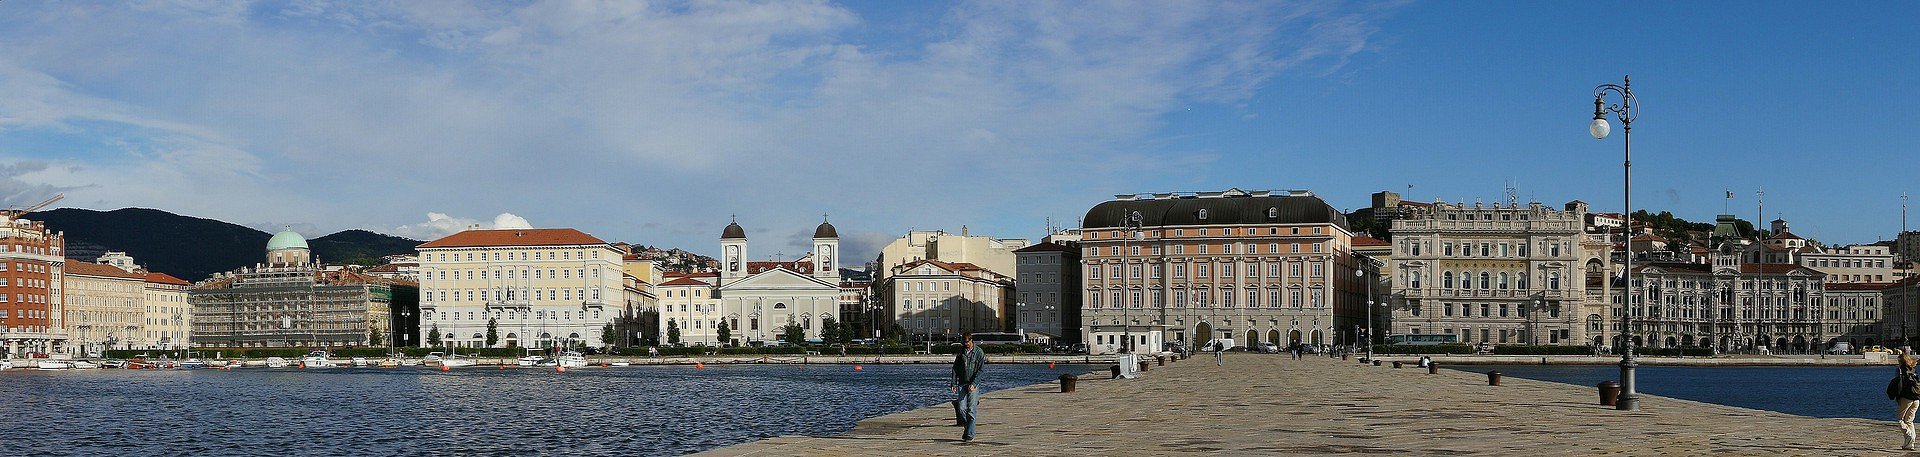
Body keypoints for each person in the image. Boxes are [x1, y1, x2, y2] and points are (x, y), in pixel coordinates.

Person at [951, 333, 987, 442]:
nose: (966, 344)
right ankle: (967, 428)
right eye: (964, 342)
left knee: (971, 410)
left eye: (967, 342)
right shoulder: (961, 352)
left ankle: (970, 434)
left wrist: (974, 383)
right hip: (962, 383)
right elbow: (955, 368)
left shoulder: (979, 352)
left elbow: (980, 371)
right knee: (961, 408)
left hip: (973, 385)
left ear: (971, 340)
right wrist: (953, 383)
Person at [1899, 348, 1920, 450]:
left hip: (1906, 397)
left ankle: (1908, 435)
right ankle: (1910, 444)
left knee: (1900, 420)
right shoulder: (1913, 370)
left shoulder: (1902, 370)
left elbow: (1900, 385)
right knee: (1909, 421)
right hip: (1917, 398)